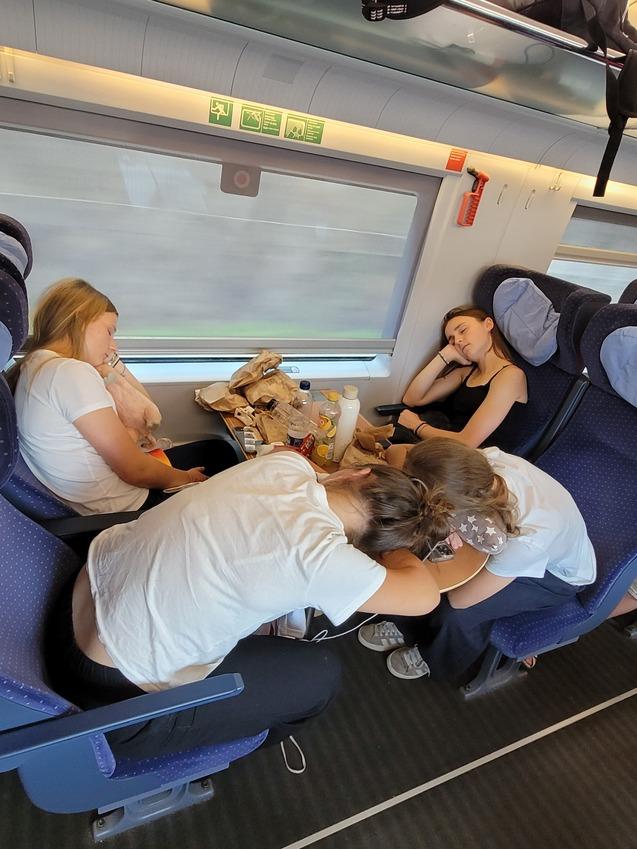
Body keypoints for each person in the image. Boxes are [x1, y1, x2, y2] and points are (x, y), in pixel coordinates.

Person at [46, 451, 441, 758]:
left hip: (71, 599)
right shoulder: (326, 559)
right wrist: (400, 542)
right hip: (111, 697)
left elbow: (307, 472)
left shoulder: (284, 465)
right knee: (321, 673)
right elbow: (425, 596)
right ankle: (216, 749)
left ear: (357, 473)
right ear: (370, 549)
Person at [359, 437, 596, 683]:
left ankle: (433, 659)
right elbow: (399, 451)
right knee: (425, 548)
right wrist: (448, 524)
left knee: (458, 612)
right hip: (514, 533)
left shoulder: (527, 541)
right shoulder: (479, 464)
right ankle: (406, 623)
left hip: (555, 576)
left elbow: (461, 600)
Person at [10, 278, 218, 515]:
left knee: (215, 449)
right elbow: (135, 470)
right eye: (109, 332)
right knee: (220, 457)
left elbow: (145, 413)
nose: (113, 345)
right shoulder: (69, 373)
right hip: (126, 506)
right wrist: (186, 478)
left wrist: (112, 365)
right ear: (79, 321)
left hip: (102, 495)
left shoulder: (33, 364)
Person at [393, 306, 527, 450]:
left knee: (396, 450)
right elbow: (412, 399)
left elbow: (468, 442)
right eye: (451, 340)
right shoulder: (466, 373)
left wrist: (417, 426)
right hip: (449, 448)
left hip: (475, 457)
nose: (457, 341)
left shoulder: (511, 376)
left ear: (488, 324)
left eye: (463, 330)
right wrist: (445, 355)